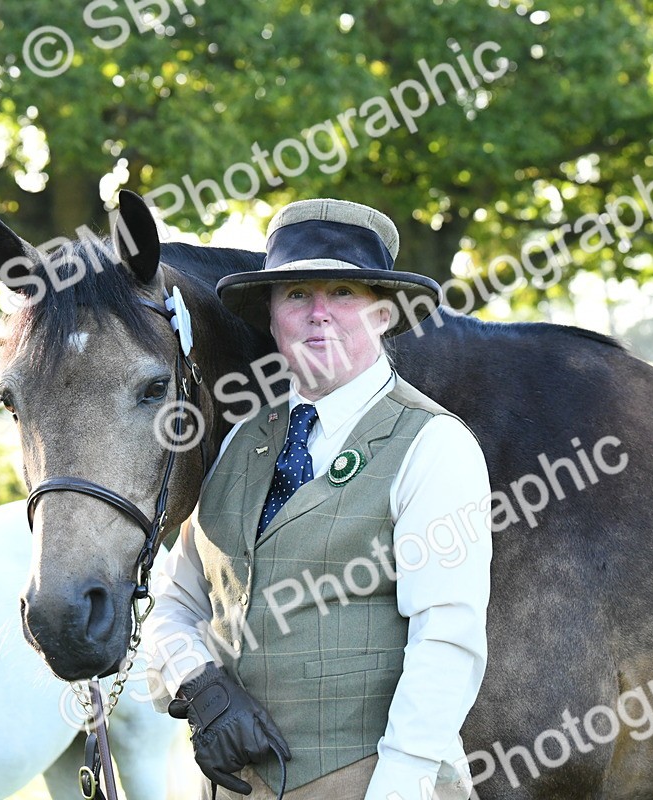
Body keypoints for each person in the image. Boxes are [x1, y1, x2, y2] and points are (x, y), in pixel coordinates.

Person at [143, 199, 493, 800]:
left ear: (383, 315)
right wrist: (197, 683)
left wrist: (401, 784)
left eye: (343, 294)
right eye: (297, 295)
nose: (318, 315)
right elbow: (176, 602)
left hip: (371, 782)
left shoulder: (434, 446)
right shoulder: (233, 446)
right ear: (272, 316)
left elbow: (447, 640)